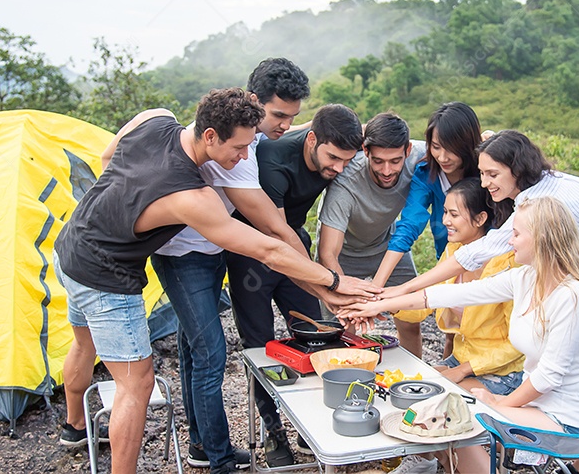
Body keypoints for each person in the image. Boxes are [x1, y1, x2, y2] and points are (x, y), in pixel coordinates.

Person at [53, 89, 378, 474]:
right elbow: (269, 249)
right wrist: (334, 282)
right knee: (136, 385)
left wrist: (118, 210)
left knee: (83, 343)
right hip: (105, 275)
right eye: (239, 148)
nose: (244, 158)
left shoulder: (155, 119)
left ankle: (75, 427)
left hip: (68, 247)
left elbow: (107, 158)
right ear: (210, 135)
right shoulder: (191, 196)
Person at [386, 130, 579, 442]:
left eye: (492, 174)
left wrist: (399, 291)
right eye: (482, 173)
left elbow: (476, 253)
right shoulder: (532, 193)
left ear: (517, 169)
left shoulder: (540, 201)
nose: (484, 183)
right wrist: (398, 294)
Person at [343, 195, 579, 474]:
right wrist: (379, 304)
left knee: (453, 420)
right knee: (442, 414)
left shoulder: (571, 295)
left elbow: (548, 376)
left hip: (568, 420)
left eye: (516, 234)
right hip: (533, 408)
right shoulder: (524, 279)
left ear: (542, 239)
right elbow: (451, 294)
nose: (509, 241)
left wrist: (499, 403)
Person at [150, 58, 314, 472]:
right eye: (278, 115)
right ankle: (220, 460)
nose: (284, 125)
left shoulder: (246, 135)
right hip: (182, 255)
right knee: (211, 354)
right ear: (254, 104)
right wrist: (324, 280)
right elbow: (273, 228)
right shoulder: (229, 145)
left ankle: (201, 445)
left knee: (193, 349)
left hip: (210, 250)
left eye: (292, 118)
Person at [226, 103, 364, 467]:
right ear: (312, 140)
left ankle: (311, 422)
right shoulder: (274, 160)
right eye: (333, 159)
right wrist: (327, 285)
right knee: (260, 347)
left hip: (294, 240)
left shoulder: (336, 146)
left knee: (316, 335)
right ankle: (273, 431)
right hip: (254, 251)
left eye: (347, 161)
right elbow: (278, 235)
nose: (339, 168)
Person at [391, 178, 524, 394]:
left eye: (453, 214)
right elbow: (426, 302)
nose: (444, 220)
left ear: (480, 218)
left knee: (434, 396)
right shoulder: (453, 252)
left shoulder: (507, 264)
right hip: (462, 359)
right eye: (444, 212)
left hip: (501, 370)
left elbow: (517, 344)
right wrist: (388, 305)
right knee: (407, 387)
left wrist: (463, 370)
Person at [315, 112, 426, 355]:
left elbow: (453, 147)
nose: (387, 170)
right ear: (365, 151)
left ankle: (414, 373)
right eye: (378, 161)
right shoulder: (345, 183)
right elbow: (328, 253)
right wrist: (348, 297)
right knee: (342, 326)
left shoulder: (419, 153)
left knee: (410, 318)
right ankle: (345, 372)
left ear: (407, 151)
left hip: (388, 246)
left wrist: (485, 137)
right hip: (344, 254)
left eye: (395, 161)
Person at [372, 102, 482, 299]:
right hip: (448, 264)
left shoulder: (486, 172)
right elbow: (409, 225)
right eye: (436, 147)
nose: (442, 157)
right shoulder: (426, 174)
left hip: (491, 262)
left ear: (468, 145)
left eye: (452, 149)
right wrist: (376, 288)